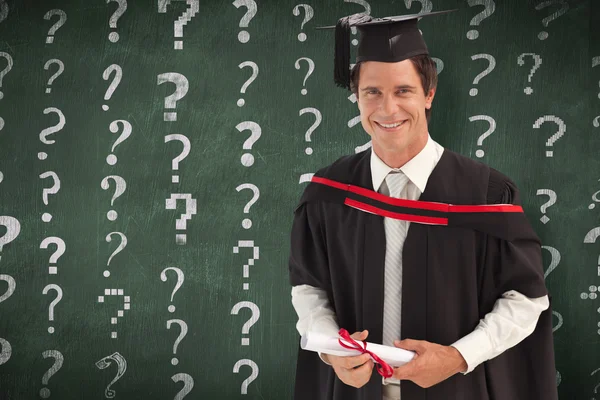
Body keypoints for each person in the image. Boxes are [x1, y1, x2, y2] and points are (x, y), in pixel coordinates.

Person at [288, 9, 558, 400]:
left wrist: (457, 356)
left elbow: (526, 299)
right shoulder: (329, 192)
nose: (387, 109)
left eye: (403, 91)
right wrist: (333, 350)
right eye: (372, 92)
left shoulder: (486, 193)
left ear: (429, 94)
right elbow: (308, 288)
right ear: (357, 98)